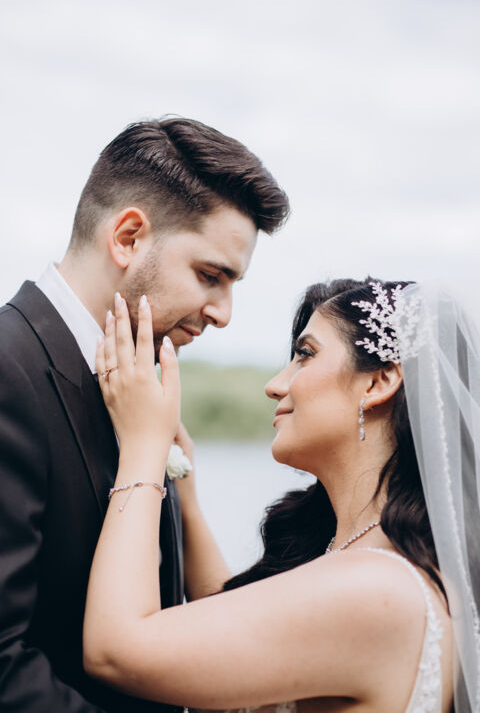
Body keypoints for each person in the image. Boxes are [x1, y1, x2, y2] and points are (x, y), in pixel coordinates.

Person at [83, 276, 480, 712]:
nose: (275, 384)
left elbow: (115, 650)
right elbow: (234, 626)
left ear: (378, 382)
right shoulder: (371, 560)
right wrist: (188, 504)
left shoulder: (377, 590)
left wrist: (143, 447)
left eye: (305, 355)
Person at [0, 117, 289, 713]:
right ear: (129, 238)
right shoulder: (9, 369)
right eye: (210, 276)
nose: (224, 313)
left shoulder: (140, 392)